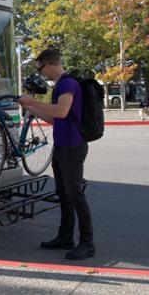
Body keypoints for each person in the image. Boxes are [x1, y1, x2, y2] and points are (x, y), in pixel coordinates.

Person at [18, 49, 95, 260]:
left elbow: (61, 111)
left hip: (73, 147)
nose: (42, 74)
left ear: (49, 64)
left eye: (41, 69)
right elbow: (55, 119)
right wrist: (33, 110)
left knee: (75, 195)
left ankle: (88, 243)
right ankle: (65, 236)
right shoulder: (60, 86)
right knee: (64, 195)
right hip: (62, 147)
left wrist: (33, 102)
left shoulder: (68, 83)